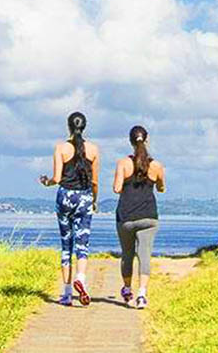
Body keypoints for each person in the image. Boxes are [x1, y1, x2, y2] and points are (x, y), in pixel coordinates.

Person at [39, 111, 99, 306]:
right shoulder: (93, 149)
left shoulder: (61, 148)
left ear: (69, 126)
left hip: (65, 196)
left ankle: (66, 293)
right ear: (85, 126)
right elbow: (95, 181)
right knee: (83, 242)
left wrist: (46, 181)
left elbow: (56, 179)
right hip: (85, 197)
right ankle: (80, 278)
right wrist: (94, 200)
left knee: (66, 244)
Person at [113, 124, 164, 310]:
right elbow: (161, 187)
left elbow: (117, 188)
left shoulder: (123, 163)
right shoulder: (156, 165)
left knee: (127, 255)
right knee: (145, 255)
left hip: (126, 215)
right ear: (147, 139)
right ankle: (142, 294)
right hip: (148, 216)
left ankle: (127, 289)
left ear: (130, 141)